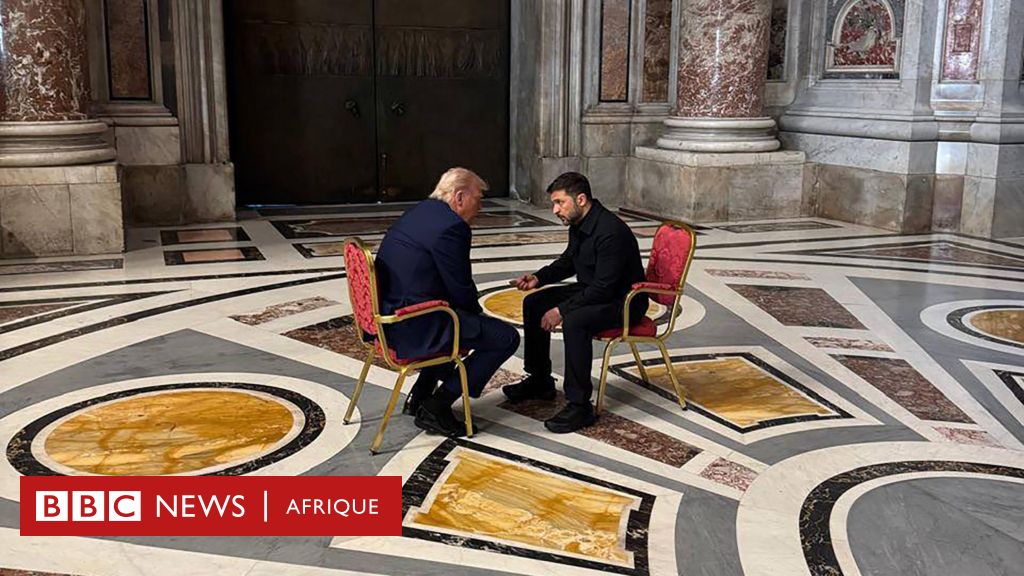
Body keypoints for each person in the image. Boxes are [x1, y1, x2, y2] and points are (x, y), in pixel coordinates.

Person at [374, 167, 520, 436]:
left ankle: (420, 394)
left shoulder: (421, 212)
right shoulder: (452, 227)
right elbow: (460, 286)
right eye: (479, 198)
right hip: (414, 325)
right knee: (504, 338)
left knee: (459, 320)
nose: (480, 207)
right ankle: (437, 406)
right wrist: (478, 321)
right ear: (460, 196)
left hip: (389, 317)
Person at [504, 172, 648, 433]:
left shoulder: (611, 232)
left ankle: (580, 404)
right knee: (534, 303)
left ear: (580, 199)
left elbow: (605, 289)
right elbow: (569, 261)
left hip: (623, 301)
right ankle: (540, 380)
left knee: (576, 321)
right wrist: (539, 278)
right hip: (595, 290)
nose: (555, 209)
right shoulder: (580, 223)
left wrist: (561, 310)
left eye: (560, 202)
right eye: (554, 203)